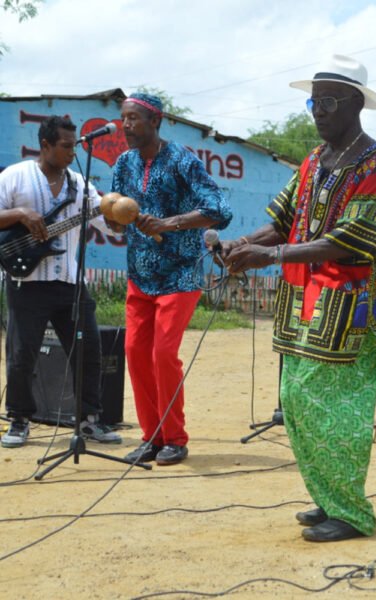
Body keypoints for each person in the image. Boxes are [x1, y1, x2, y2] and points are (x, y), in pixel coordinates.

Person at [221, 55, 376, 542]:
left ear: (355, 104)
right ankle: (328, 497)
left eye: (327, 101)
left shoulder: (375, 165)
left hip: (349, 307)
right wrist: (242, 244)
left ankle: (351, 512)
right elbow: (283, 220)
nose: (316, 111)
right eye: (312, 101)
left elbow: (351, 241)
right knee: (296, 401)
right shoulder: (313, 162)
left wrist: (271, 254)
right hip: (304, 303)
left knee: (337, 410)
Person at [111, 93, 232, 467]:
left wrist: (169, 223)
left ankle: (175, 438)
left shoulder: (181, 159)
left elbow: (219, 210)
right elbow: (117, 214)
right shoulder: (124, 163)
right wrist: (116, 219)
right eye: (123, 119)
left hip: (180, 273)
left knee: (163, 354)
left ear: (155, 122)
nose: (127, 126)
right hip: (140, 275)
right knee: (135, 353)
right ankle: (152, 437)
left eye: (134, 119)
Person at [0, 115, 121, 448]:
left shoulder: (80, 185)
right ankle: (19, 419)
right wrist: (21, 215)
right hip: (27, 281)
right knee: (22, 354)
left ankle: (89, 420)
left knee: (89, 352)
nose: (72, 152)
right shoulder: (15, 176)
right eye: (66, 146)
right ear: (45, 145)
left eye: (74, 146)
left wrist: (120, 218)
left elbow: (107, 223)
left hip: (69, 282)